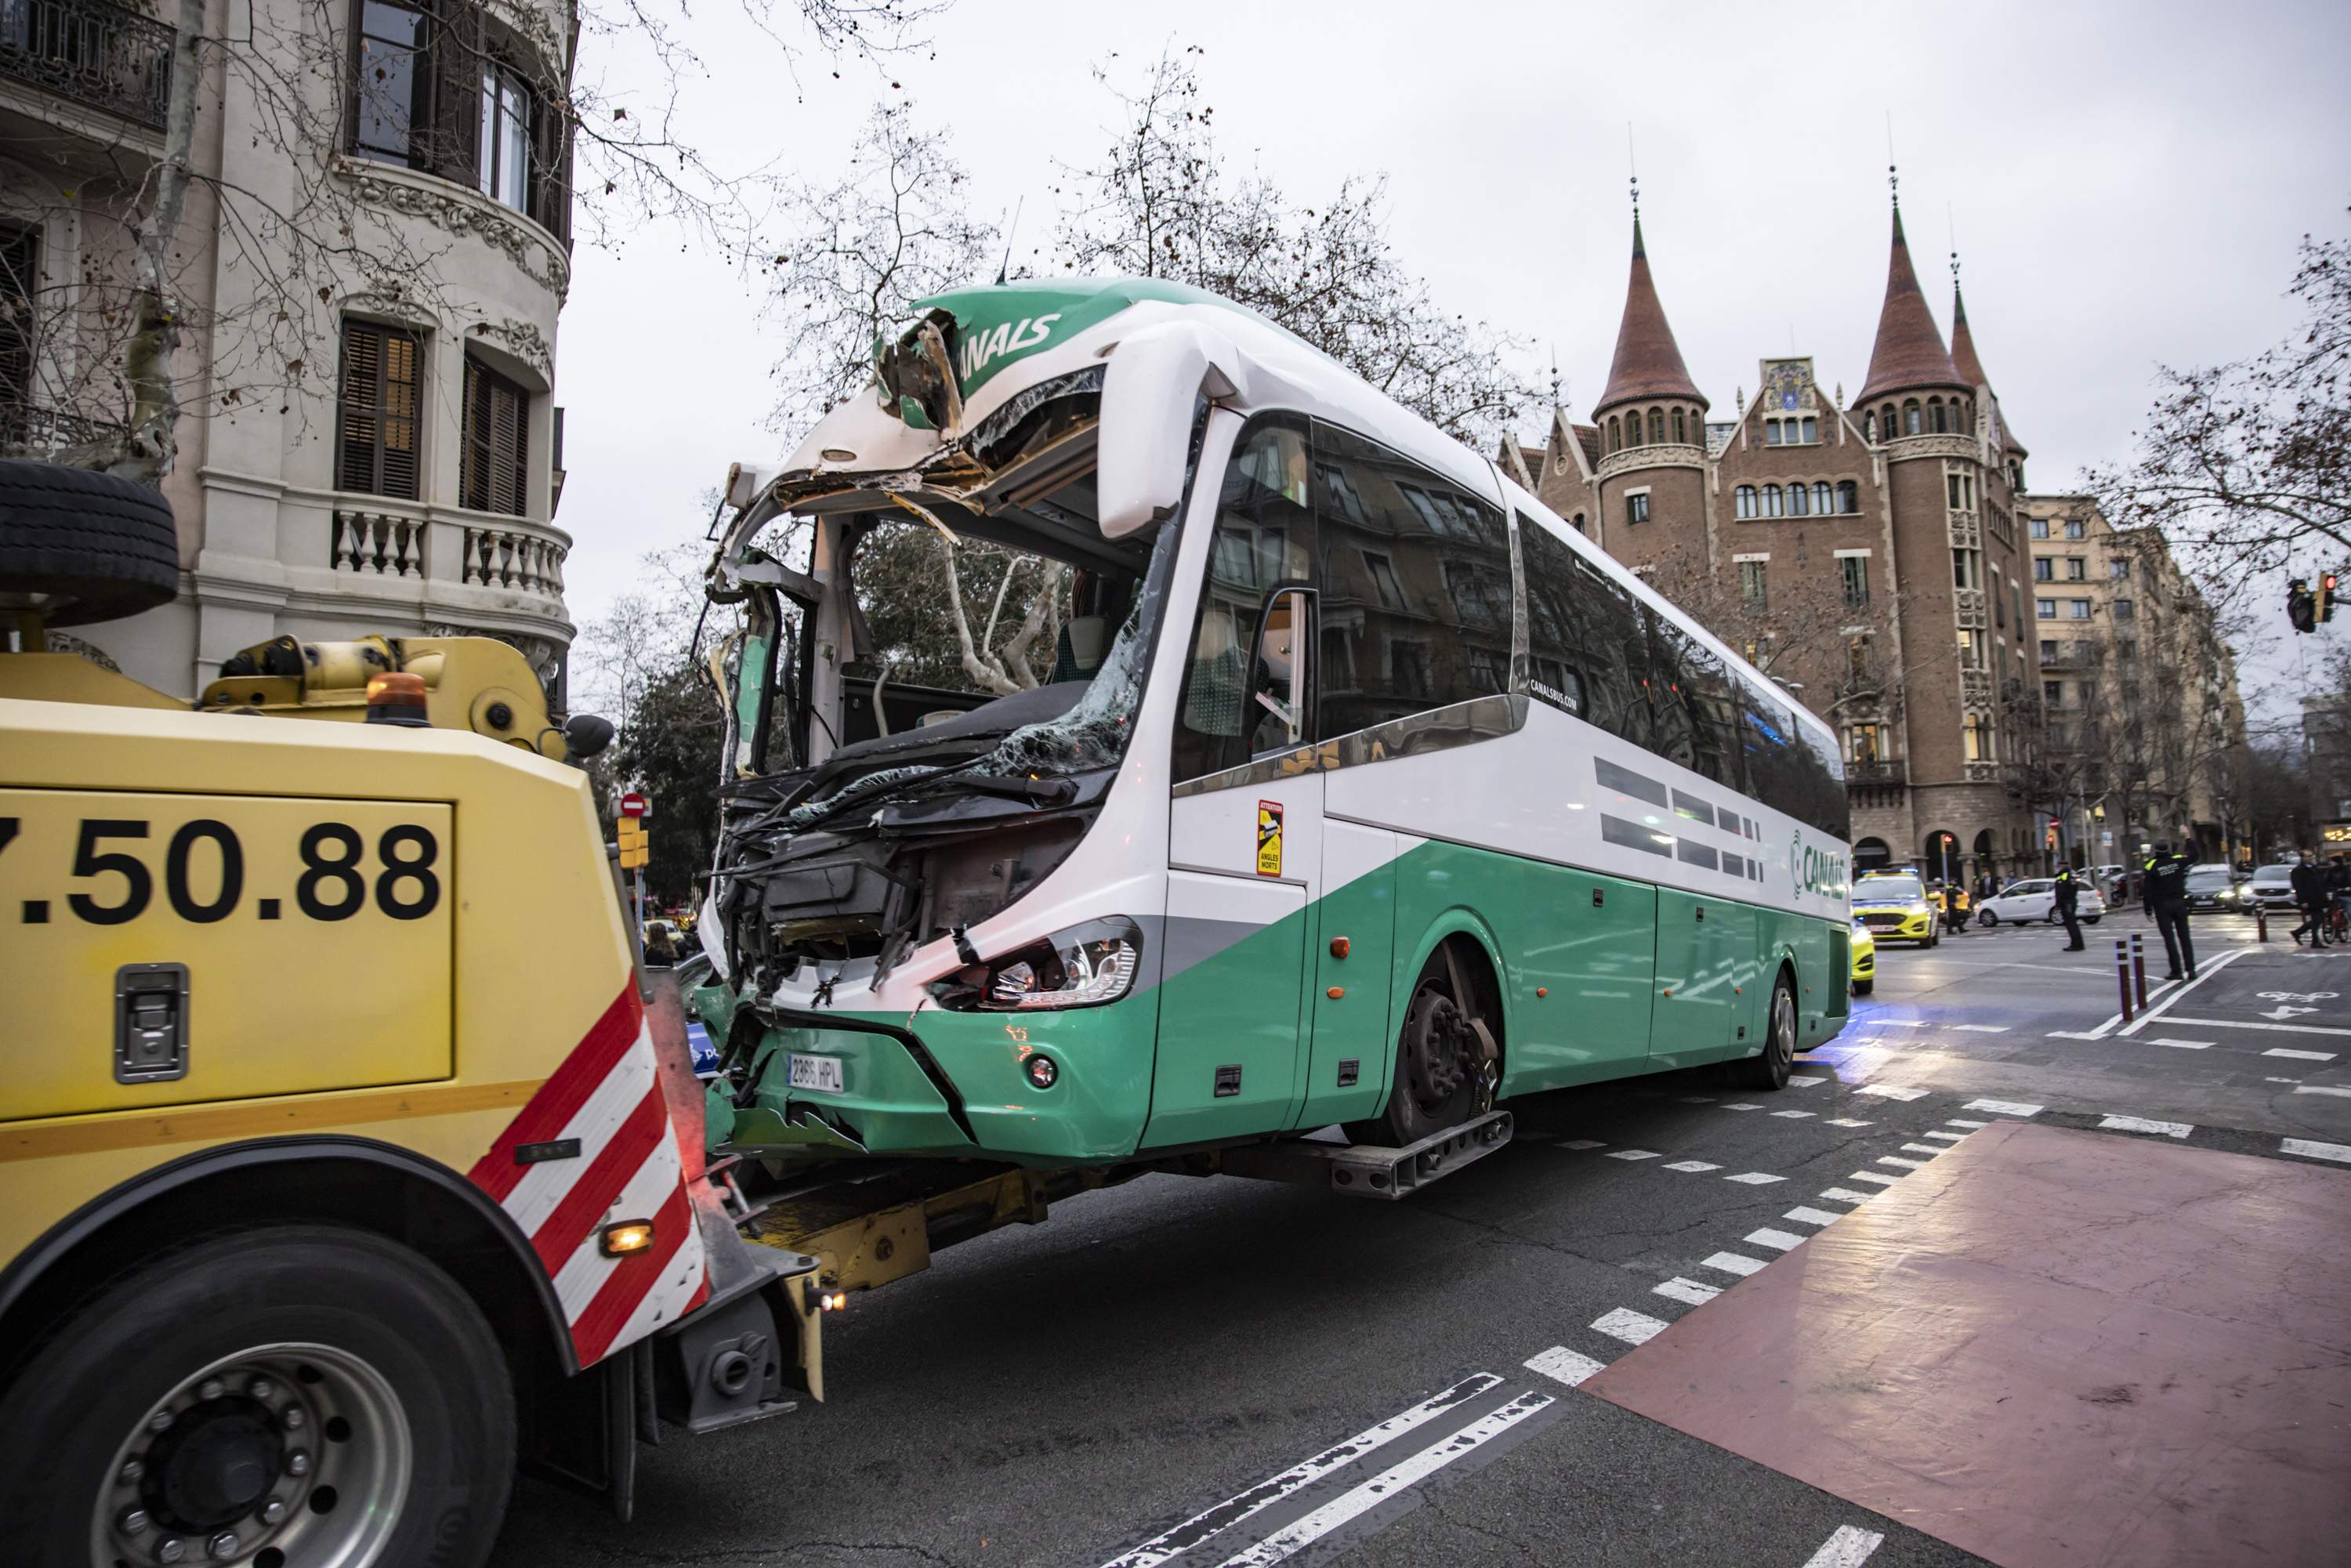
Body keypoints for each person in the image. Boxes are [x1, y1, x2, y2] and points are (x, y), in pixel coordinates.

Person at [2142, 841, 2196, 980]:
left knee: (2169, 939)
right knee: (2185, 938)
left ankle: (2176, 971)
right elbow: (2194, 856)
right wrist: (2188, 839)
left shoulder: (2150, 866)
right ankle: (2191, 970)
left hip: (2162, 906)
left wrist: (2148, 910)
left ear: (2155, 850)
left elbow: (2147, 891)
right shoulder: (2177, 861)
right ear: (2169, 849)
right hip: (2179, 903)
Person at [2291, 853, 2327, 945]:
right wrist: (2303, 901)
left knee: (2319, 919)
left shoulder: (2314, 869)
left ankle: (2297, 933)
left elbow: (2320, 883)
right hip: (2309, 899)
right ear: (2303, 858)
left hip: (2318, 898)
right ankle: (2315, 941)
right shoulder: (2298, 871)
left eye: (2312, 856)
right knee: (2317, 919)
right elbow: (2298, 887)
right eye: (2309, 856)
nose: (2311, 857)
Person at [2054, 866, 2085, 951]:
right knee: (2073, 924)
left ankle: (2076, 945)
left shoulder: (2062, 878)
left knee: (2071, 924)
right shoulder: (2072, 877)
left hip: (2067, 904)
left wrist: (2058, 906)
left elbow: (2060, 893)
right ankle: (2078, 943)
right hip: (2072, 901)